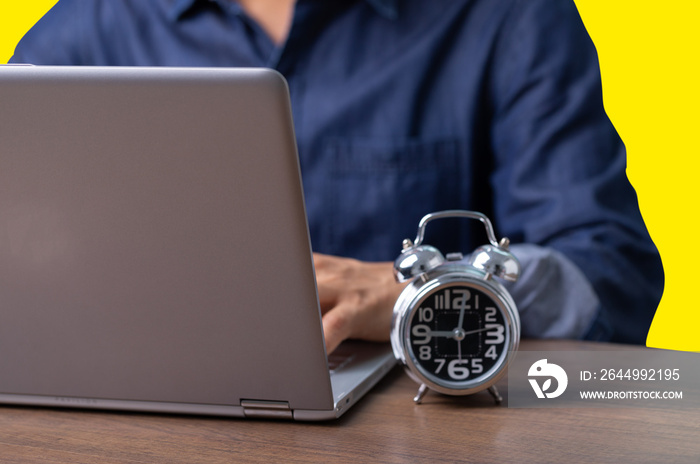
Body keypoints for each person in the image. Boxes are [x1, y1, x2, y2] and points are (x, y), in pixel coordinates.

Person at [10, 0, 664, 353]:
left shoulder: (511, 16)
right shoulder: (78, 34)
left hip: (422, 428)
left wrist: (430, 291)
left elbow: (609, 272)